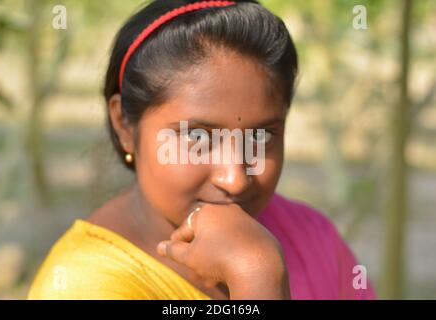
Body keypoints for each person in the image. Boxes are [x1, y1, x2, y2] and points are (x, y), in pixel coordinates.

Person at [27, 0, 376, 300]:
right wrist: (258, 278)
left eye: (261, 137)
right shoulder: (86, 284)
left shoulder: (310, 236)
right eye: (198, 138)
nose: (235, 178)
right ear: (124, 125)